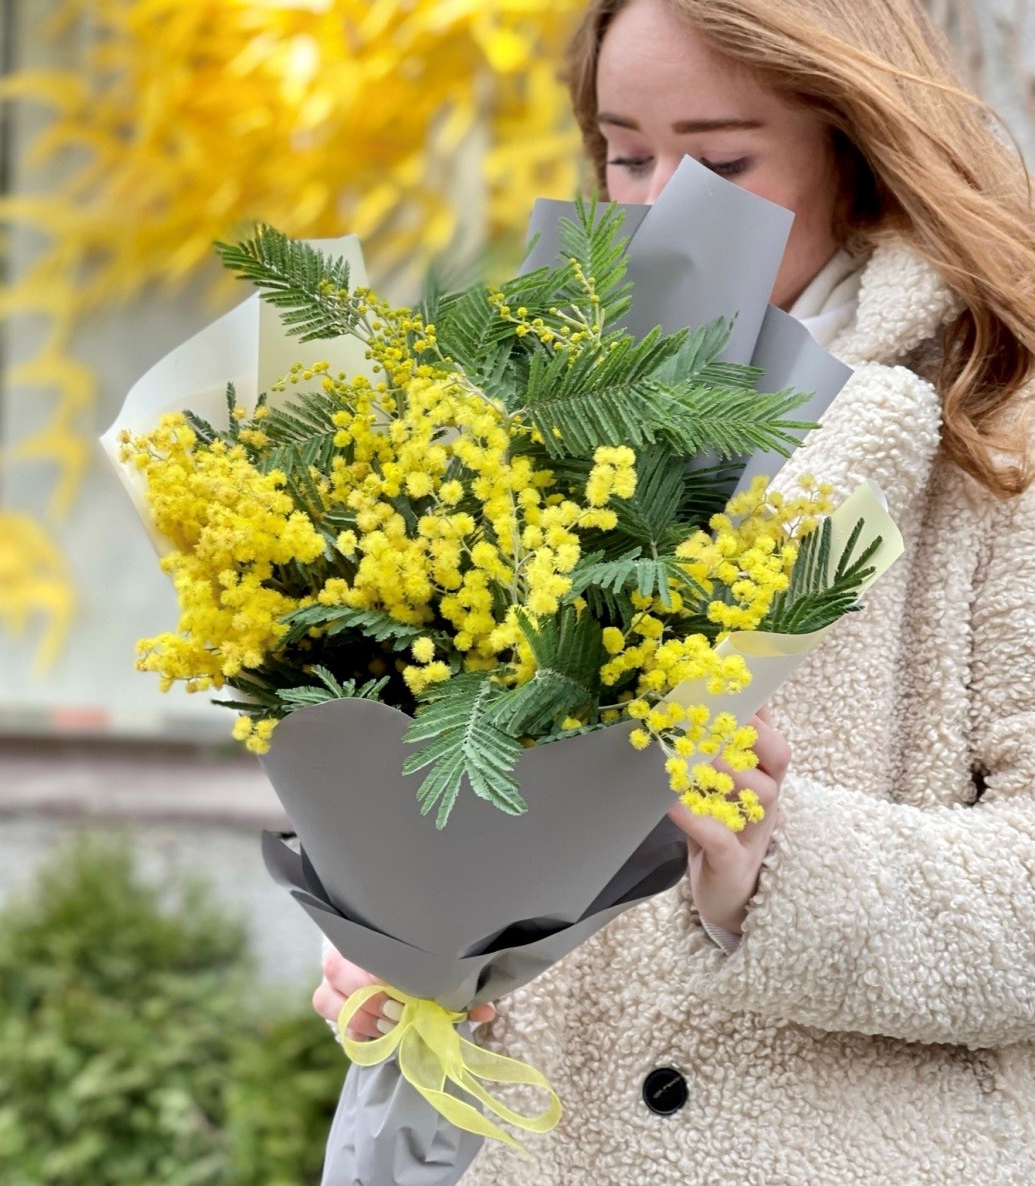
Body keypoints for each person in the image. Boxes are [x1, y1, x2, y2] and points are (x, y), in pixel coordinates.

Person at [314, 0, 1035, 1180]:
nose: (660, 208)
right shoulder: (520, 411)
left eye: (723, 160)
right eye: (626, 153)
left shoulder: (997, 429)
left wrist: (781, 861)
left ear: (852, 152)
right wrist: (407, 944)